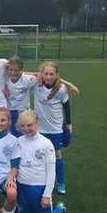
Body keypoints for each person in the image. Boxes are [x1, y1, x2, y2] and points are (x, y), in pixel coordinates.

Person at [15, 109, 65, 213]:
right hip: (22, 187)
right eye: (22, 126)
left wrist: (46, 195)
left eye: (29, 125)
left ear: (38, 124)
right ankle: (33, 212)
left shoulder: (46, 143)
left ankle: (60, 209)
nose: (26, 128)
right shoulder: (18, 142)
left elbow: (51, 171)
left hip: (39, 188)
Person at [34, 62, 73, 195]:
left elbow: (66, 106)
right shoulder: (36, 84)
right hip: (40, 129)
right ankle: (41, 180)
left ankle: (61, 182)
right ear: (41, 74)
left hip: (56, 128)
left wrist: (68, 123)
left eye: (52, 74)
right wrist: (37, 75)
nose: (48, 77)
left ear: (57, 75)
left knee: (57, 154)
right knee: (40, 155)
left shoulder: (61, 88)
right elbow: (21, 74)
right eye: (45, 73)